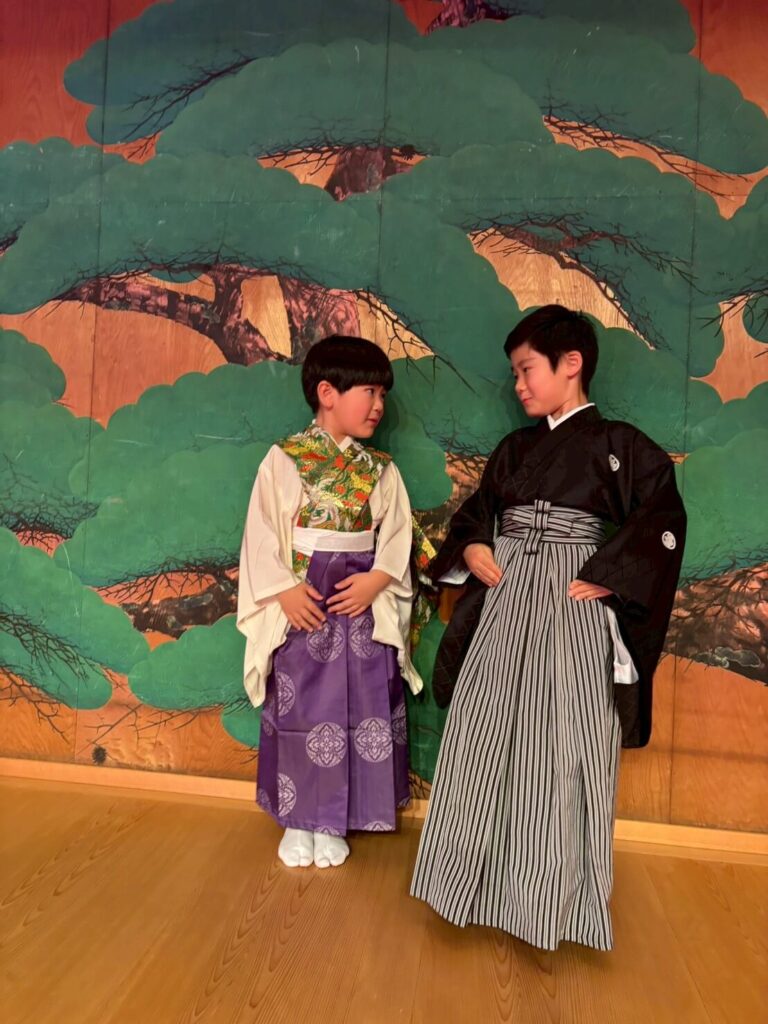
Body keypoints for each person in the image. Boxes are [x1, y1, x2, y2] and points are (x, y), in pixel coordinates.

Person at [411, 305, 686, 950]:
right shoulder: (515, 450)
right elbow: (479, 512)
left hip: (571, 600)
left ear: (572, 364)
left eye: (526, 369)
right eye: (514, 373)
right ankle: (468, 889)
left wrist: (612, 573)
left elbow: (663, 517)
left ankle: (548, 904)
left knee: (564, 744)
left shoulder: (619, 445)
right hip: (507, 595)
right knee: (483, 734)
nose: (519, 385)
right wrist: (475, 545)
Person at [237, 336, 422, 870]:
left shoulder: (381, 469)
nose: (379, 404)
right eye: (369, 391)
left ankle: (340, 820)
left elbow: (398, 535)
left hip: (360, 597)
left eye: (382, 394)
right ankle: (299, 819)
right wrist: (283, 589)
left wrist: (378, 578)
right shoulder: (284, 460)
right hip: (306, 597)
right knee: (303, 705)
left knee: (364, 704)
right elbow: (261, 532)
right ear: (327, 393)